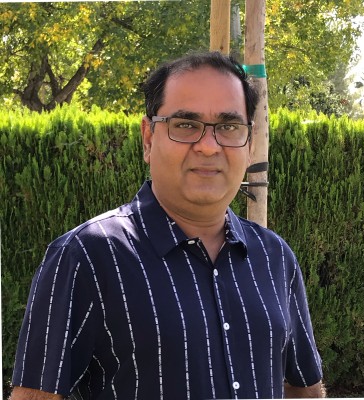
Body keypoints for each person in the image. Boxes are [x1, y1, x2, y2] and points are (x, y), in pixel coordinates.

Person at [10, 51, 325, 400]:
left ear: (249, 144)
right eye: (186, 125)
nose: (209, 146)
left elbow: (305, 389)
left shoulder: (274, 257)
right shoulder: (87, 256)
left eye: (228, 126)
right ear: (148, 139)